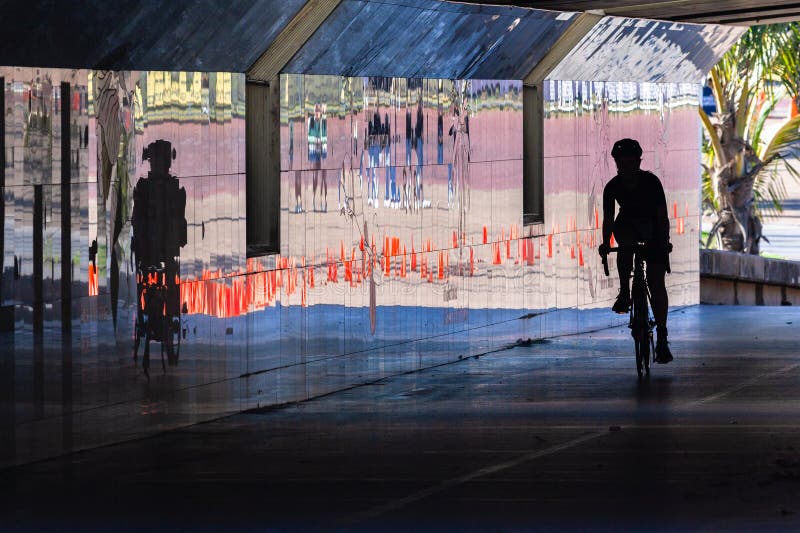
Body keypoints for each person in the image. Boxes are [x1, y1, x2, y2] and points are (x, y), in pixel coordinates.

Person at [598, 139, 674, 364]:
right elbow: (609, 219)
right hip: (628, 225)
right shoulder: (612, 187)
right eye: (622, 163)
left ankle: (662, 334)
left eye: (631, 162)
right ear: (616, 163)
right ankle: (625, 292)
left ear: (639, 162)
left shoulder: (652, 182)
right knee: (625, 246)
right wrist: (605, 243)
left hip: (653, 227)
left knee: (655, 280)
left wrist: (664, 242)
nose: (627, 167)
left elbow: (662, 217)